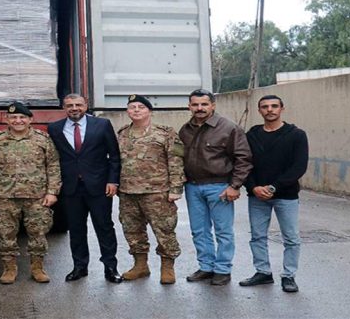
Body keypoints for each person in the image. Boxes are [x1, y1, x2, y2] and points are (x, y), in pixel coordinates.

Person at [179, 88, 252, 286]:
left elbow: (243, 159)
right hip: (193, 187)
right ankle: (206, 267)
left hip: (219, 186)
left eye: (204, 104)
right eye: (195, 104)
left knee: (223, 231)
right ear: (189, 106)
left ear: (213, 105)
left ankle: (223, 269)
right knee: (199, 230)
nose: (200, 108)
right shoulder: (185, 130)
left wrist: (235, 186)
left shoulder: (228, 128)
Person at [48, 93, 123, 284]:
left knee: (104, 227)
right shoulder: (54, 128)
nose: (74, 108)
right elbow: (53, 159)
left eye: (78, 104)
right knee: (76, 229)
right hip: (70, 188)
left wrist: (112, 181)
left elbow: (114, 156)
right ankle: (80, 267)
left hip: (99, 187)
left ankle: (110, 267)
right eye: (70, 105)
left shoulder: (102, 125)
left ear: (86, 105)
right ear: (64, 108)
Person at [239, 95, 308, 293]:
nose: (270, 110)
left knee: (291, 238)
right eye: (265, 107)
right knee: (257, 236)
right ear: (259, 110)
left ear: (281, 109)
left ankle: (289, 276)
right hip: (257, 196)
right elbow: (244, 164)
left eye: (274, 106)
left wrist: (273, 187)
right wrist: (253, 187)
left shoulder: (296, 135)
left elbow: (299, 167)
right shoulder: (251, 135)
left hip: (286, 196)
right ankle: (263, 272)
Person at [116, 94, 185, 284]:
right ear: (127, 111)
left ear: (149, 111)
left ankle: (167, 267)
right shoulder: (122, 133)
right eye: (132, 107)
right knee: (132, 230)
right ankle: (140, 266)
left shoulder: (166, 133)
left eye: (141, 107)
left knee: (164, 230)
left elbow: (176, 160)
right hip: (128, 192)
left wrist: (176, 188)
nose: (136, 110)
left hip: (158, 192)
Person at [0, 102, 61, 284]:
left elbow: (53, 165)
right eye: (13, 117)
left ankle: (37, 268)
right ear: (7, 120)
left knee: (38, 233)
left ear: (30, 119)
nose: (18, 120)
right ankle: (9, 268)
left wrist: (52, 192)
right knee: (5, 233)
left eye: (22, 117)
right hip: (5, 196)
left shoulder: (42, 139)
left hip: (37, 196)